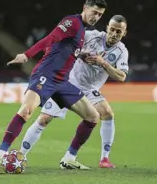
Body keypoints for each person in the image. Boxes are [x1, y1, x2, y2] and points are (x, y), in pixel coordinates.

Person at [0, 0, 107, 171]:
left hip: (62, 83)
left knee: (93, 116)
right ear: (85, 7)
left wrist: (81, 55)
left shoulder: (82, 30)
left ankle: (69, 158)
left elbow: (63, 48)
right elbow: (51, 38)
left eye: (100, 15)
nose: (96, 17)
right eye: (94, 12)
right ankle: (0, 154)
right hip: (46, 76)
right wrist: (27, 55)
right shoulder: (72, 22)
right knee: (26, 111)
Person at [19, 15, 129, 169]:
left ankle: (95, 158)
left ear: (124, 33)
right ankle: (20, 155)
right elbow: (69, 46)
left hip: (90, 88)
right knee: (44, 118)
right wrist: (82, 55)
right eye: (112, 29)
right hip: (68, 81)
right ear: (107, 28)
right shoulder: (91, 36)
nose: (114, 34)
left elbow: (121, 76)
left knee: (107, 113)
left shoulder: (121, 51)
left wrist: (103, 63)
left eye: (119, 31)